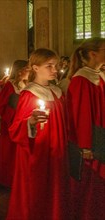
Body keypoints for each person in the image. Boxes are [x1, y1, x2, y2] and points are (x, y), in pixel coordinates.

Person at [7, 48, 69, 219]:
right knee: (36, 193)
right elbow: (15, 129)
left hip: (56, 151)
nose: (55, 70)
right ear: (35, 68)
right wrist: (30, 122)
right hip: (36, 154)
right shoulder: (29, 94)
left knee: (56, 189)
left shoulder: (57, 93)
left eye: (55, 66)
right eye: (49, 66)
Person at [66, 37, 105, 219]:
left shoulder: (98, 76)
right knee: (92, 186)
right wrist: (85, 146)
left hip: (101, 136)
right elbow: (81, 115)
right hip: (92, 141)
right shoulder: (81, 79)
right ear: (93, 54)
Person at [0, 60, 28, 187]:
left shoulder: (25, 84)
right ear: (20, 71)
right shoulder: (10, 86)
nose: (30, 71)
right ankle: (9, 179)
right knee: (10, 153)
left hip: (23, 124)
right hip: (11, 124)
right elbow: (1, 105)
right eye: (28, 69)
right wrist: (14, 114)